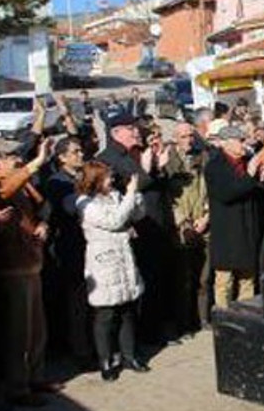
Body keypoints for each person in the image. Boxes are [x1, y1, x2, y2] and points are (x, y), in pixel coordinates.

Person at [0, 138, 56, 407]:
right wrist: (37, 162)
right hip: (13, 266)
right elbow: (4, 190)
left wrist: (42, 224)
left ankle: (36, 376)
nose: (18, 159)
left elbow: (38, 208)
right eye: (11, 156)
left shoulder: (23, 185)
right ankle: (18, 386)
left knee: (37, 328)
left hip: (32, 261)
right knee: (19, 332)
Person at [96, 109, 172, 343]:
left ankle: (154, 330)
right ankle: (138, 337)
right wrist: (149, 169)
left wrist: (158, 167)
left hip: (154, 223)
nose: (136, 132)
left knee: (155, 279)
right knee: (138, 284)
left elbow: (156, 185)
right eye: (131, 128)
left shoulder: (134, 153)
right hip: (134, 228)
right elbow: (135, 185)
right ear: (116, 132)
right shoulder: (109, 157)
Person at [76, 162, 148, 381]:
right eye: (107, 177)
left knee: (127, 308)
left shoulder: (115, 195)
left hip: (123, 256)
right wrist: (129, 195)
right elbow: (115, 221)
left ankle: (129, 355)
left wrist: (135, 196)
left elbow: (137, 215)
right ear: (95, 180)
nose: (112, 180)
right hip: (103, 260)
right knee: (106, 313)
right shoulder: (85, 203)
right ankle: (105, 361)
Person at [41, 136, 93, 366]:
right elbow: (71, 209)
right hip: (69, 248)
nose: (80, 155)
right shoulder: (57, 182)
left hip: (87, 245)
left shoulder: (83, 177)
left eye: (81, 151)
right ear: (62, 157)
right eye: (75, 152)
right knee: (76, 302)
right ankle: (79, 350)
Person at [204, 124, 264, 307]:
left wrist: (261, 179)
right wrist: (250, 176)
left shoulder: (247, 161)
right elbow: (227, 194)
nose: (243, 144)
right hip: (227, 231)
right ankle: (223, 319)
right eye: (239, 140)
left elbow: (255, 191)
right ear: (225, 143)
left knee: (247, 279)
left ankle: (245, 317)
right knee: (224, 280)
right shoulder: (215, 166)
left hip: (247, 227)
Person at [167, 122, 209, 334]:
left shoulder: (202, 157)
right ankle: (184, 322)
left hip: (202, 222)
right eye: (183, 137)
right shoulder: (168, 161)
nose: (188, 140)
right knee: (183, 279)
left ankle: (202, 319)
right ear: (175, 138)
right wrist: (182, 221)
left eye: (191, 136)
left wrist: (206, 216)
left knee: (203, 276)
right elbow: (168, 197)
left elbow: (209, 188)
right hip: (181, 227)